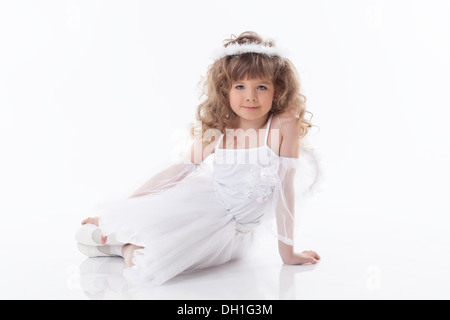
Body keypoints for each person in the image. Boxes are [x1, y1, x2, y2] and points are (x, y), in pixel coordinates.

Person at [75, 31, 322, 286]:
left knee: (157, 258)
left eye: (261, 87)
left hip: (236, 234)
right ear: (225, 89)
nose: (250, 96)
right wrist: (121, 211)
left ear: (277, 89)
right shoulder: (221, 128)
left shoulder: (283, 125)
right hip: (203, 210)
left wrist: (288, 253)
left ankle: (120, 246)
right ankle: (113, 236)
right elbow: (179, 170)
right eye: (240, 86)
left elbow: (285, 190)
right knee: (151, 258)